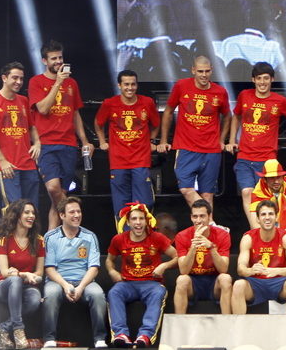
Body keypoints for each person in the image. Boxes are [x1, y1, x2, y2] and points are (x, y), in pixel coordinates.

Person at [29, 40, 93, 230]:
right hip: (47, 143)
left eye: (60, 57)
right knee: (53, 189)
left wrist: (85, 141)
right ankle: (74, 218)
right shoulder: (36, 82)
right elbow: (43, 108)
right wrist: (58, 82)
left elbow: (75, 114)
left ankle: (51, 240)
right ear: (44, 61)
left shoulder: (72, 83)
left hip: (69, 144)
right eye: (53, 58)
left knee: (56, 199)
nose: (58, 61)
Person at [227, 62, 286, 229]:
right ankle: (256, 231)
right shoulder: (245, 95)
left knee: (267, 199)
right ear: (253, 80)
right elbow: (236, 117)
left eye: (266, 78)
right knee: (247, 192)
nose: (262, 82)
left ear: (272, 79)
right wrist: (232, 140)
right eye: (259, 78)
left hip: (267, 159)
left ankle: (269, 232)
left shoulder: (279, 101)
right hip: (245, 156)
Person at [156, 56, 231, 212]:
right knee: (185, 189)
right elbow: (168, 111)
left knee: (208, 195)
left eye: (207, 71)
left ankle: (208, 233)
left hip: (211, 150)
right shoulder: (182, 86)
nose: (204, 75)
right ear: (193, 70)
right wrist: (163, 140)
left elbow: (228, 116)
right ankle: (210, 223)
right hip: (186, 147)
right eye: (200, 71)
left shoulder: (220, 92)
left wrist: (222, 140)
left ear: (212, 70)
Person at [105, 203, 178, 348]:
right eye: (134, 219)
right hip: (127, 284)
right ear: (128, 221)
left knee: (159, 292)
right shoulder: (119, 239)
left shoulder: (157, 238)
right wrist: (112, 271)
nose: (138, 222)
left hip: (151, 284)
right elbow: (109, 260)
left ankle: (145, 335)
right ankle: (121, 334)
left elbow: (177, 257)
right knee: (114, 292)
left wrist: (164, 265)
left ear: (147, 221)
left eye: (141, 219)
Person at [43, 196, 107, 348]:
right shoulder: (50, 237)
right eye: (72, 212)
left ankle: (100, 339)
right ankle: (49, 338)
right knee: (50, 294)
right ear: (62, 215)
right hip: (58, 281)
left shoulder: (90, 236)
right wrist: (65, 285)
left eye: (79, 211)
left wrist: (80, 287)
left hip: (84, 280)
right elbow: (49, 269)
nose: (77, 215)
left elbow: (94, 268)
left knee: (98, 295)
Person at [94, 69, 160, 216]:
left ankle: (144, 237)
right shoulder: (110, 103)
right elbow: (98, 123)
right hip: (118, 161)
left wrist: (151, 140)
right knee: (121, 206)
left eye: (133, 84)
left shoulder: (147, 102)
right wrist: (102, 141)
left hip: (141, 160)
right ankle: (123, 237)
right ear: (119, 85)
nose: (130, 88)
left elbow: (156, 123)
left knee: (144, 204)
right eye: (126, 84)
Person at [0, 62, 41, 205]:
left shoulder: (24, 101)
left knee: (32, 209)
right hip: (9, 165)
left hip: (28, 163)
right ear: (4, 78)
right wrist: (2, 160)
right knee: (14, 210)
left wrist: (37, 143)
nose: (18, 82)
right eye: (15, 78)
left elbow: (32, 126)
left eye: (21, 79)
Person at [0, 200, 43, 349]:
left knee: (35, 300)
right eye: (27, 212)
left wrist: (28, 275)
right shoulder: (4, 239)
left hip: (26, 287)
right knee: (15, 280)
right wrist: (24, 274)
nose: (31, 216)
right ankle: (19, 331)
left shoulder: (39, 241)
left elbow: (39, 273)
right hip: (3, 286)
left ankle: (4, 328)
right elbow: (5, 272)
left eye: (33, 213)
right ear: (17, 216)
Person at [233, 200, 286, 314]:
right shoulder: (248, 238)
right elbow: (240, 269)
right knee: (238, 285)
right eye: (263, 214)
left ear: (276, 217)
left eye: (271, 214)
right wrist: (250, 270)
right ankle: (239, 327)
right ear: (258, 219)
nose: (267, 217)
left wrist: (276, 271)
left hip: (279, 283)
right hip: (256, 282)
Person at [173, 199, 232, 314]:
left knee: (226, 279)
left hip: (214, 281)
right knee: (181, 280)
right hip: (193, 281)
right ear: (191, 217)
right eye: (195, 217)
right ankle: (179, 327)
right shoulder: (181, 236)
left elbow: (224, 269)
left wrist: (211, 247)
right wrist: (194, 245)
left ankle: (227, 323)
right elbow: (183, 270)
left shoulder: (223, 235)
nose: (198, 220)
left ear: (209, 217)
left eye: (202, 216)